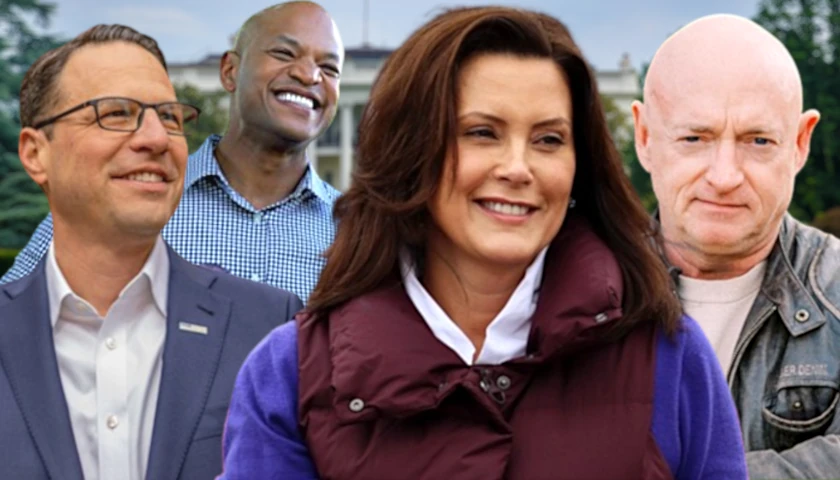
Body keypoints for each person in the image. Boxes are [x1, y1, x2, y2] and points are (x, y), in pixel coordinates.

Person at [218, 7, 747, 479]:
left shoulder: (671, 356)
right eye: (481, 132)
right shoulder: (289, 372)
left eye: (548, 140)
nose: (517, 169)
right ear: (411, 150)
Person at [0, 25, 301, 480]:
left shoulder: (269, 326)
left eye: (171, 117)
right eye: (117, 113)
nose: (157, 139)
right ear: (36, 153)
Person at [0, 1, 342, 302]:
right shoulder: (125, 200)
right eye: (284, 54)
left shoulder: (355, 232)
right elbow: (16, 319)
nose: (309, 75)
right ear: (229, 71)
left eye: (329, 68)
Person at [632, 13, 840, 479]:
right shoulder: (568, 299)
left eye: (758, 140)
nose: (724, 176)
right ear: (645, 138)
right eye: (694, 138)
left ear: (801, 143)